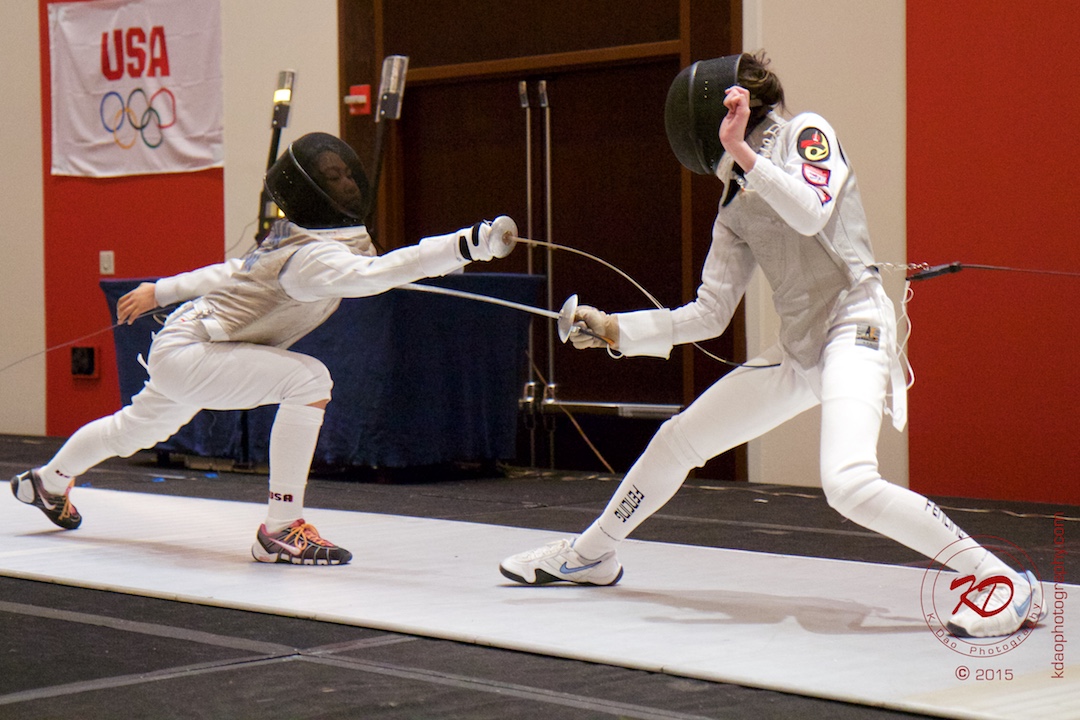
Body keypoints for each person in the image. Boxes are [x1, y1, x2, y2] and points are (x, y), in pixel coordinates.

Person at [499, 53, 1044, 639]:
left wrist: (743, 152)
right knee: (678, 439)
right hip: (800, 351)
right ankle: (591, 555)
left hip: (855, 327)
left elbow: (810, 213)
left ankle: (1002, 579)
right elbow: (709, 314)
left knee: (849, 483)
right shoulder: (733, 203)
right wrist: (616, 330)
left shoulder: (807, 133)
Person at [11, 132, 516, 566]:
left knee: (135, 429)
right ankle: (280, 528)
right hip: (194, 348)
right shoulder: (311, 256)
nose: (346, 183)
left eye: (346, 173)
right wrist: (464, 245)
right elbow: (374, 276)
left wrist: (161, 291)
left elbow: (236, 271)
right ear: (311, 190)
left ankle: (46, 483)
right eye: (333, 176)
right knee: (308, 379)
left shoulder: (298, 240)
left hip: (190, 344)